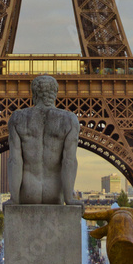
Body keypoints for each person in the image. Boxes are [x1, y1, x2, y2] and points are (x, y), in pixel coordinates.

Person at [8, 74, 81, 205]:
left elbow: (15, 161)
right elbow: (69, 162)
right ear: (55, 93)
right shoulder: (70, 120)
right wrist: (69, 198)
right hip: (54, 194)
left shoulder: (17, 118)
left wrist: (14, 199)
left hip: (28, 192)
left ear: (34, 94)